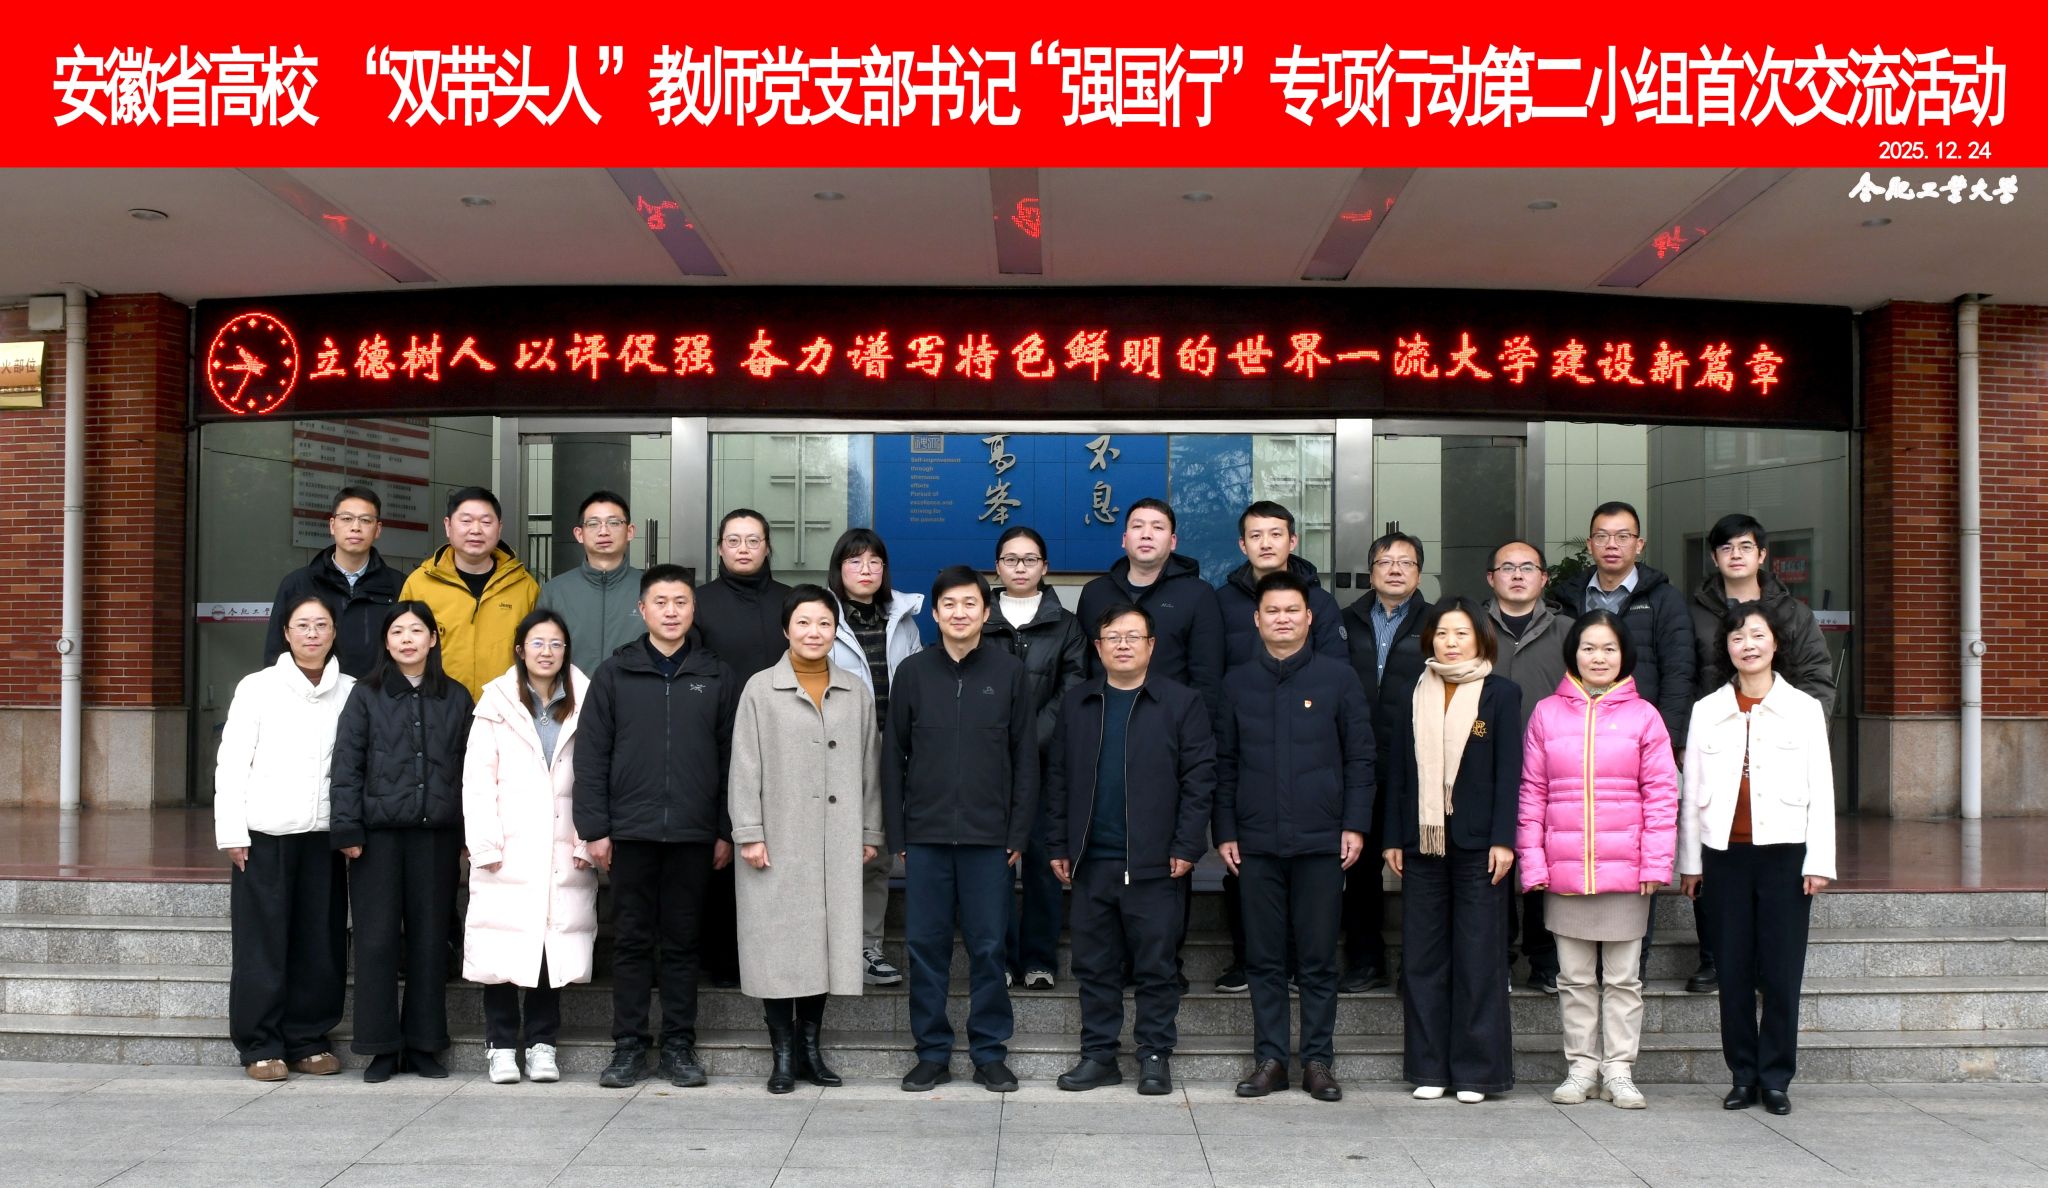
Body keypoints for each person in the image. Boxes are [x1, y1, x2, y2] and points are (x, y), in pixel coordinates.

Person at [573, 565, 740, 1089]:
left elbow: (733, 758)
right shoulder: (614, 673)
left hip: (694, 833)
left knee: (684, 942)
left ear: (694, 610)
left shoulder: (717, 675)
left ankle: (678, 1046)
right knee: (631, 942)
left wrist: (724, 829)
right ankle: (628, 1046)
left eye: (681, 602)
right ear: (642, 610)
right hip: (631, 832)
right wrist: (595, 828)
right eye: (661, 603)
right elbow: (591, 755)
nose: (671, 612)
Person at [1045, 602, 1216, 1095]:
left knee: (1157, 966)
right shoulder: (1078, 702)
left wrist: (1187, 844)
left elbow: (1199, 778)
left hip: (1156, 863)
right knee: (1094, 965)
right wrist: (1058, 843)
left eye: (1133, 636)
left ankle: (1155, 1054)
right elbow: (1058, 779)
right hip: (1091, 860)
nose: (1123, 645)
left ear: (1151, 645)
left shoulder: (1181, 702)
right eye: (1113, 637)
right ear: (1097, 647)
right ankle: (1099, 1055)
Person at [1216, 571, 1374, 1103]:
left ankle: (1318, 1062)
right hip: (1256, 841)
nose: (1282, 619)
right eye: (1272, 611)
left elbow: (1360, 758)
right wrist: (1225, 829)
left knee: (1317, 959)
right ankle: (1270, 1060)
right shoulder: (1236, 683)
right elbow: (1225, 763)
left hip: (1321, 839)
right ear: (1256, 619)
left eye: (1291, 610)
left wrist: (1354, 823)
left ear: (1309, 618)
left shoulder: (1338, 678)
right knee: (1263, 959)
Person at [1680, 600, 1837, 1117]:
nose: (1747, 645)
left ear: (1775, 643)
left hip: (1786, 856)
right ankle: (1742, 1076)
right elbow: (1691, 792)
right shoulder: (1707, 710)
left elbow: (1822, 788)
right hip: (1724, 856)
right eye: (1737, 637)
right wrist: (1691, 862)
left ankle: (1775, 1078)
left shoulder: (1804, 708)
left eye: (1756, 635)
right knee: (1733, 970)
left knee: (1781, 972)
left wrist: (1819, 860)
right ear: (1726, 648)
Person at [1518, 610, 1679, 1111]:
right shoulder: (1546, 713)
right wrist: (1533, 863)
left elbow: (1662, 795)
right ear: (1574, 653)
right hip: (1565, 868)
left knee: (1625, 979)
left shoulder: (1644, 716)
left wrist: (1656, 864)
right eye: (1589, 647)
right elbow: (1532, 793)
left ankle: (1620, 1070)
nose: (1599, 657)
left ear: (1624, 654)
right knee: (1573, 979)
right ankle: (1581, 1067)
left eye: (1609, 648)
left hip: (1626, 869)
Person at [884, 566, 1037, 1093]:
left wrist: (1018, 833)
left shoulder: (1009, 671)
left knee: (989, 948)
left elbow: (1025, 758)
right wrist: (898, 836)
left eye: (970, 603)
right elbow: (892, 758)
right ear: (935, 612)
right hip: (925, 838)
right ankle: (931, 1053)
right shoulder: (912, 673)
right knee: (925, 948)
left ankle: (989, 1052)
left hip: (989, 839)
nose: (959, 612)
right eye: (948, 604)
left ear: (985, 612)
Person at [727, 585, 884, 1094]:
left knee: (824, 946)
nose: (814, 632)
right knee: (778, 946)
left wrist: (869, 830)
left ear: (835, 630)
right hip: (777, 839)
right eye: (803, 622)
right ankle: (782, 1056)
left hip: (837, 839)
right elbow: (744, 765)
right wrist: (749, 832)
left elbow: (871, 767)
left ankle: (811, 1051)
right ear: (786, 629)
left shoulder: (854, 690)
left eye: (824, 623)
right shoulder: (759, 689)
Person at [1382, 597, 1522, 1104]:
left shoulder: (1501, 693)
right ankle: (1429, 1067)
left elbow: (1510, 771)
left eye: (1462, 633)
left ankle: (1477, 1072)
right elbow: (1399, 770)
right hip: (1423, 843)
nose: (1451, 642)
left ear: (1481, 639)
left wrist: (1505, 838)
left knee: (1479, 958)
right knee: (1423, 959)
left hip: (1479, 844)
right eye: (1442, 633)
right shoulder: (1414, 692)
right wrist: (1393, 836)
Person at [330, 601, 474, 1083]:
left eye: (416, 631)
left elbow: (470, 770)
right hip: (376, 839)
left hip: (436, 837)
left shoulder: (455, 697)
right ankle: (380, 1047)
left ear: (433, 639)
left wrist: (469, 833)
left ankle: (424, 1044)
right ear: (386, 643)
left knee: (430, 942)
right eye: (397, 632)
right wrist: (347, 829)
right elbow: (346, 764)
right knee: (375, 942)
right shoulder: (365, 695)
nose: (407, 639)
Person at [1554, 501, 1696, 985]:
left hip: (1638, 748)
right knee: (1575, 847)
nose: (1611, 545)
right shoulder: (1568, 597)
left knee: (1633, 851)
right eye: (1602, 535)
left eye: (1622, 536)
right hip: (1575, 747)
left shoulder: (1664, 600)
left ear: (1640, 543)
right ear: (1589, 543)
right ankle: (1573, 968)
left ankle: (1636, 964)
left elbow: (1679, 671)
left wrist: (1666, 741)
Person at [216, 594, 354, 1082]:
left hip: (324, 837)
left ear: (334, 632)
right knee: (262, 944)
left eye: (321, 624)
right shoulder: (257, 688)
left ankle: (309, 1040)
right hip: (265, 835)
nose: (312, 633)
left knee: (320, 941)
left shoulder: (352, 691)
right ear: (286, 633)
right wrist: (231, 830)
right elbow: (232, 761)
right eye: (303, 625)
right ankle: (261, 1045)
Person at [460, 609, 598, 1086]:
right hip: (508, 846)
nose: (547, 652)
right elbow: (477, 779)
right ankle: (500, 1046)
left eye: (556, 644)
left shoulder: (586, 701)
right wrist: (484, 845)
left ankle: (542, 1044)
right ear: (520, 649)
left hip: (563, 844)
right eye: (537, 643)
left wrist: (587, 839)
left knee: (549, 948)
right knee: (499, 946)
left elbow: (594, 776)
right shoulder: (496, 702)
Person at [692, 509, 796, 992]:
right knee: (723, 850)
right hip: (719, 741)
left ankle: (778, 953)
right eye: (733, 540)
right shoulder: (699, 603)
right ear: (719, 548)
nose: (743, 548)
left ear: (768, 547)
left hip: (786, 744)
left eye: (753, 540)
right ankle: (721, 960)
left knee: (779, 851)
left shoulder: (790, 601)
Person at [982, 525, 1086, 989]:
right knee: (995, 865)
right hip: (988, 766)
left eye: (1029, 559)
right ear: (997, 567)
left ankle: (1040, 959)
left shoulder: (1067, 624)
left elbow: (1073, 691)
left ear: (1045, 566)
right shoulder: (979, 617)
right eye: (1010, 559)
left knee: (1045, 862)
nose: (1020, 567)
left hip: (1048, 763)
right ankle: (1001, 959)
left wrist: (1026, 742)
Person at [1334, 531, 1432, 996]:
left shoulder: (1437, 623)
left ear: (1419, 573)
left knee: (1421, 868)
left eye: (1405, 562)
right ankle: (1364, 961)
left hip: (1417, 766)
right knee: (1360, 869)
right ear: (1371, 572)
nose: (1395, 569)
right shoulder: (1343, 621)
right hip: (1358, 764)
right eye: (1385, 562)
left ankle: (1418, 966)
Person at [825, 527, 923, 989]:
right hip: (835, 750)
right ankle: (827, 945)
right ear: (838, 568)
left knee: (877, 852)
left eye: (874, 561)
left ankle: (868, 947)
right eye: (855, 561)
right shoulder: (822, 616)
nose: (865, 570)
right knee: (832, 853)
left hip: (891, 749)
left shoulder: (903, 620)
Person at [1483, 540, 1566, 994]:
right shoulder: (1471, 629)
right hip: (1484, 766)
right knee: (1491, 866)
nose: (1518, 575)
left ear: (1544, 578)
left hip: (1552, 768)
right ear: (1490, 577)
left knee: (1543, 864)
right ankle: (1497, 958)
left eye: (1528, 567)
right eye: (1508, 567)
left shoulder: (1568, 631)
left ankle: (1544, 960)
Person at [400, 487, 541, 701]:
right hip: (435, 708)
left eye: (486, 522)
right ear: (448, 526)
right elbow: (401, 650)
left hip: (506, 710)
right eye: (466, 521)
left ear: (499, 528)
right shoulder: (419, 584)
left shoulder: (524, 587)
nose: (476, 530)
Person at [261, 486, 404, 678]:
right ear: (332, 525)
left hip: (379, 693)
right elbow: (276, 653)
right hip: (315, 693)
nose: (355, 527)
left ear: (377, 529)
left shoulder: (399, 585)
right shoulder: (298, 583)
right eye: (346, 518)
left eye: (365, 520)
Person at [1216, 501, 1346, 668]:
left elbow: (1335, 670)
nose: (1265, 544)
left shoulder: (1320, 602)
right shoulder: (1222, 601)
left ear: (1292, 541)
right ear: (1243, 545)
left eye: (1276, 534)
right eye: (1255, 536)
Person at [535, 490, 645, 666]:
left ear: (630, 531)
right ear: (579, 534)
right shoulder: (554, 591)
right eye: (593, 524)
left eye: (614, 522)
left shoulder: (650, 589)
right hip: (570, 685)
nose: (603, 531)